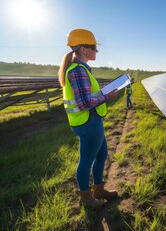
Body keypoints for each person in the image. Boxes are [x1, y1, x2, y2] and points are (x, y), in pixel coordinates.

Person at [58, 28, 118, 208]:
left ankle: (98, 190)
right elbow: (84, 102)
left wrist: (102, 92)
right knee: (86, 161)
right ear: (83, 49)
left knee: (102, 155)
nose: (96, 50)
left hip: (92, 120)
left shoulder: (83, 69)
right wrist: (107, 96)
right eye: (93, 47)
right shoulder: (77, 70)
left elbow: (88, 95)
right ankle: (87, 200)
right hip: (87, 122)